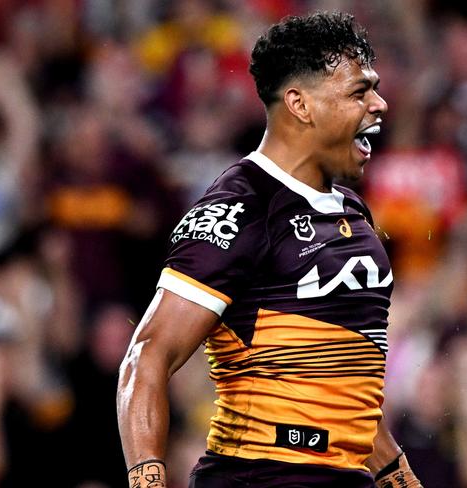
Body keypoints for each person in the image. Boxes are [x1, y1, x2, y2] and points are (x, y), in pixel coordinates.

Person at [117, 11, 423, 488]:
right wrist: (147, 481)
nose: (380, 105)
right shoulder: (240, 206)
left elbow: (347, 392)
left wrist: (400, 479)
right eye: (358, 92)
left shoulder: (353, 211)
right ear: (300, 105)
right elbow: (147, 357)